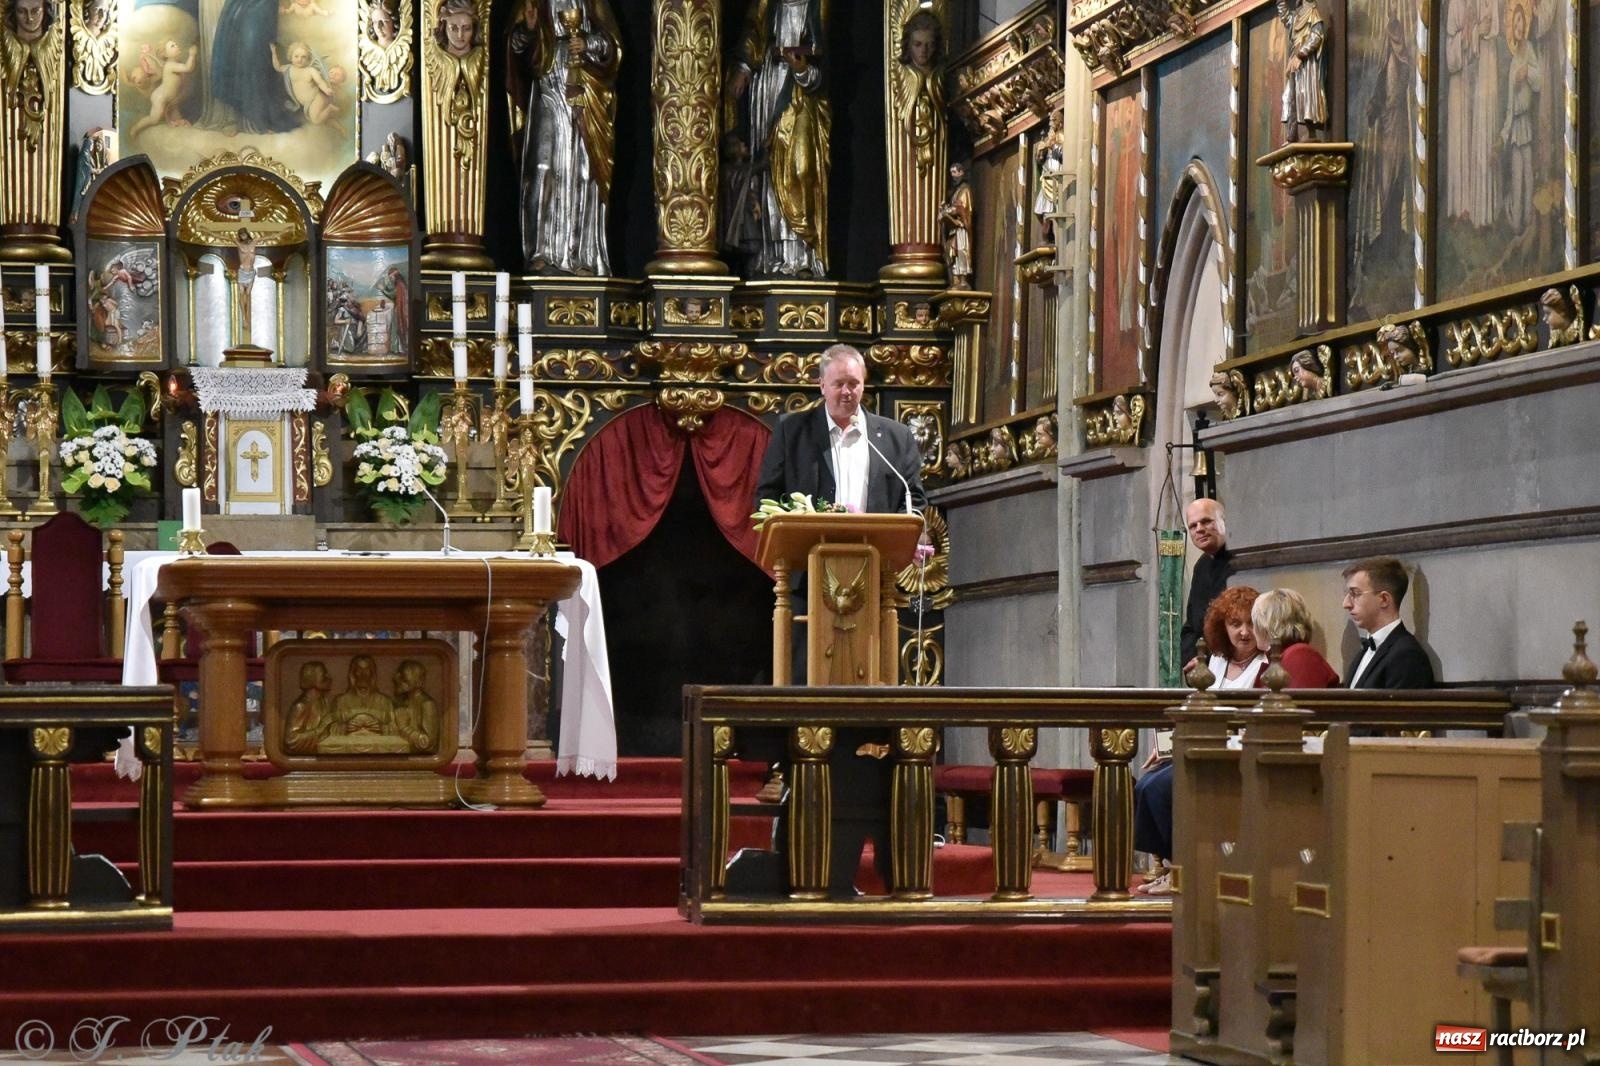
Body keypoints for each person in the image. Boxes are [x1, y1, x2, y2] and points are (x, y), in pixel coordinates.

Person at [748, 343, 928, 899]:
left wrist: (912, 530)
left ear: (864, 385)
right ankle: (794, 774)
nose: (848, 393)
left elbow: (914, 501)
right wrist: (805, 519)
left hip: (875, 597)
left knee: (865, 714)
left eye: (856, 384)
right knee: (811, 697)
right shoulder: (794, 431)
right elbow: (766, 500)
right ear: (822, 386)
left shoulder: (893, 439)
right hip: (811, 594)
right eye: (839, 384)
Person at [1135, 586, 1264, 895]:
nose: (1244, 632)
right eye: (1236, 624)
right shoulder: (1214, 661)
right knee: (1145, 784)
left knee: (1161, 789)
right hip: (1202, 748)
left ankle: (1185, 870)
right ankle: (1171, 865)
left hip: (1232, 756)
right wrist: (1166, 747)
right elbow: (1194, 712)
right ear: (1223, 627)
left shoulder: (1264, 665)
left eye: (1250, 623)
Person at [507, 0, 620, 276]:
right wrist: (528, 30)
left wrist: (588, 44)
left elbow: (613, 46)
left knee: (584, 171)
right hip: (548, 83)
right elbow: (514, 49)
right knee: (542, 168)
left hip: (584, 88)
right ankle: (541, 252)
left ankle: (583, 256)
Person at [724, 0, 829, 278]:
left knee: (801, 169)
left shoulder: (816, 6)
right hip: (767, 84)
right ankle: (769, 254)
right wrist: (744, 69)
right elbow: (753, 32)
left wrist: (802, 70)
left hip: (801, 97)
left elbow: (825, 61)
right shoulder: (766, 4)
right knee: (766, 168)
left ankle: (801, 253)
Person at [1341, 556, 1435, 688]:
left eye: (1355, 594)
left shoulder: (1407, 656)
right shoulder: (1364, 652)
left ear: (1384, 599)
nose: (1346, 604)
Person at [1179, 498, 1233, 667]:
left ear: (1223, 522)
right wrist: (1192, 659)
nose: (1199, 529)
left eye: (1206, 521)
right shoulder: (1201, 566)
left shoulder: (1241, 561)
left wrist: (1206, 659)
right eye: (1193, 526)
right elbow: (1191, 626)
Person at [1251, 588, 1339, 687]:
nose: (1252, 630)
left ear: (1265, 625)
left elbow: (1300, 696)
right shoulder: (1285, 656)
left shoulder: (1300, 655)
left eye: (1253, 623)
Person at [284, 661, 335, 755]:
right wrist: (319, 730)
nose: (329, 678)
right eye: (323, 675)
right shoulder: (301, 706)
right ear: (312, 679)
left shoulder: (323, 701)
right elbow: (291, 740)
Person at [941, 161, 973, 289]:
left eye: (955, 172)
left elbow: (962, 207)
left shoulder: (965, 189)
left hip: (961, 227)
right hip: (954, 228)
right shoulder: (957, 191)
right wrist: (946, 209)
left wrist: (948, 211)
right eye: (951, 173)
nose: (953, 176)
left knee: (961, 252)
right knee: (952, 252)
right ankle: (956, 281)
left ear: (961, 172)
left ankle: (963, 281)